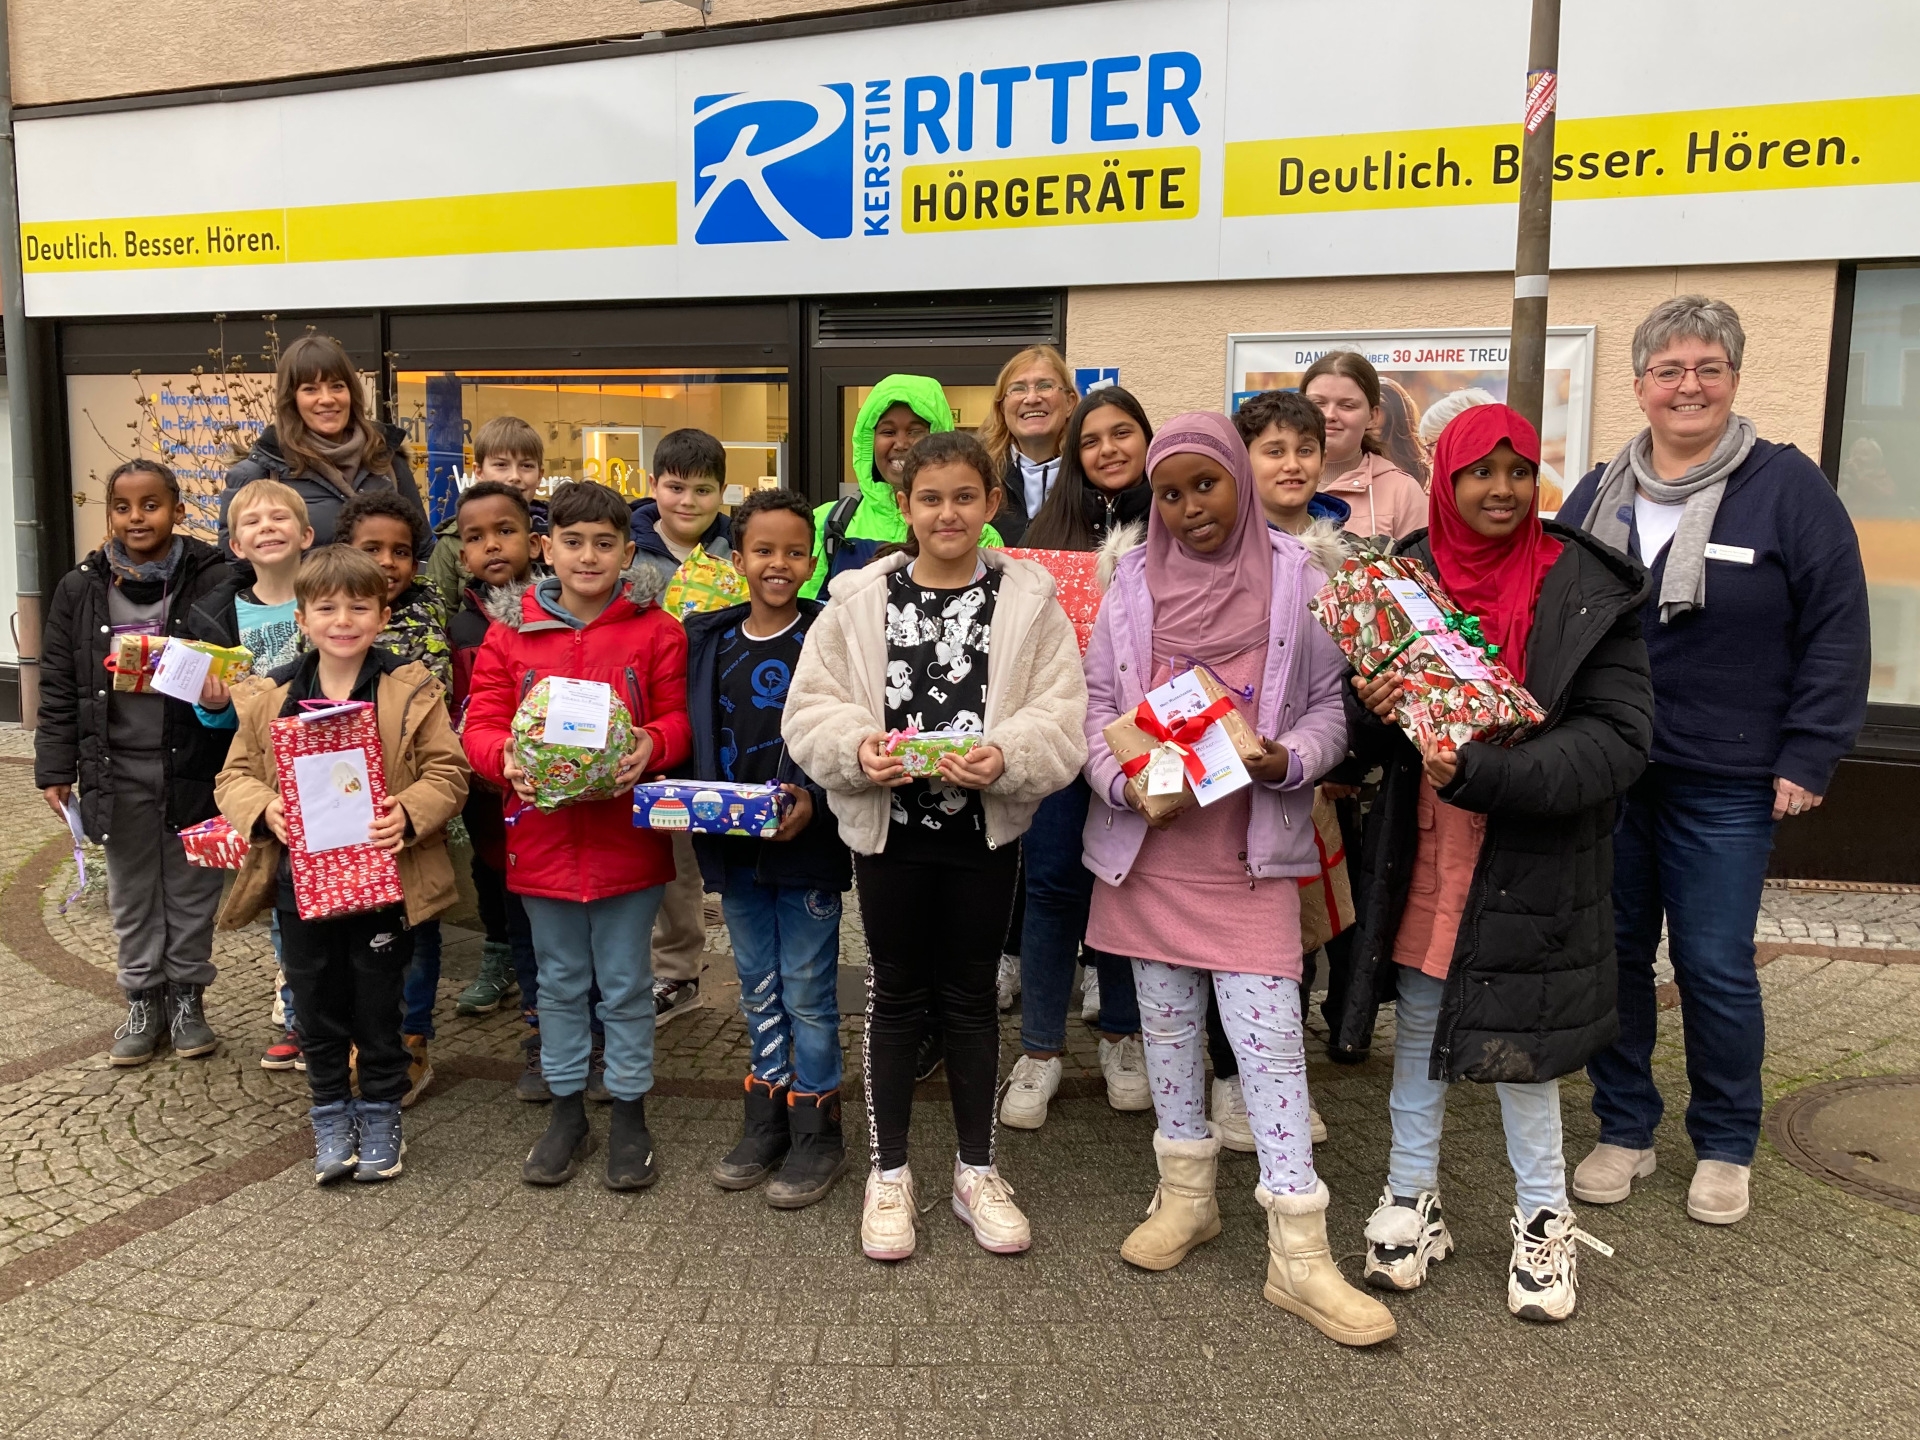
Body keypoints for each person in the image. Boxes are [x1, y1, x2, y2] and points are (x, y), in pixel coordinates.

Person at [1081, 412, 1394, 1349]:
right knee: (1170, 1034)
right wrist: (1123, 784)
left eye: (1205, 485)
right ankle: (1187, 1199)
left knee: (1270, 1050)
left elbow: (1331, 708)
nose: (1189, 508)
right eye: (1169, 494)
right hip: (1149, 856)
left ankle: (1300, 1251)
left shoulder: (1301, 578)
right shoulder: (1128, 582)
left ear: (1240, 481)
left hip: (1251, 857)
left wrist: (1287, 760)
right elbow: (1096, 710)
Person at [1559, 295, 1871, 1226]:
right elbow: (1552, 611)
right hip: (1611, 770)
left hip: (1727, 778)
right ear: (1641, 385)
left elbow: (1837, 628)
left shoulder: (1788, 487)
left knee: (1714, 966)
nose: (1688, 386)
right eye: (1670, 370)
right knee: (1614, 956)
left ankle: (1727, 1142)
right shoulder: (1597, 491)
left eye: (1709, 369)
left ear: (1734, 379)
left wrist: (1810, 752)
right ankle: (1625, 1128)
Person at [1338, 404, 1653, 1323]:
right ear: (1447, 479)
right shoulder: (1410, 575)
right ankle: (1410, 1197)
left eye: (1520, 471)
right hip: (1426, 844)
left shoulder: (1583, 585)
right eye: (1481, 471)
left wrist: (1492, 774)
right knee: (1419, 1028)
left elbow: (1619, 739)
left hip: (1531, 854)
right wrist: (1370, 707)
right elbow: (1364, 735)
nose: (1503, 489)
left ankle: (1543, 1218)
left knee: (1525, 1049)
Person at [784, 430, 1086, 1262]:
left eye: (963, 497)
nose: (946, 513)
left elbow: (1063, 712)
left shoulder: (1030, 602)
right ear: (903, 506)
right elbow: (811, 707)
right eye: (929, 498)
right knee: (894, 995)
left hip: (982, 835)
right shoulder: (856, 601)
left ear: (993, 503)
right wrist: (856, 747)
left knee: (970, 997)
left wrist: (1008, 754)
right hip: (890, 836)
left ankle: (976, 1169)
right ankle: (889, 1172)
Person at [461, 481, 693, 1192]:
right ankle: (566, 1112)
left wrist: (652, 744)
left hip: (627, 843)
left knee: (625, 984)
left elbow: (679, 719)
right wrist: (502, 758)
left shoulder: (658, 631)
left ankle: (629, 1113)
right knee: (559, 983)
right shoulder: (510, 633)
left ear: (627, 553)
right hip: (541, 839)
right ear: (546, 549)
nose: (588, 556)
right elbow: (480, 722)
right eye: (572, 542)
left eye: (603, 543)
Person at [212, 546, 470, 1184]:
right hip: (300, 882)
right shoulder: (272, 696)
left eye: (359, 607)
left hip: (384, 878)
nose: (344, 621)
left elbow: (449, 771)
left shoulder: (410, 689)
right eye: (326, 608)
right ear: (302, 619)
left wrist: (408, 811)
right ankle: (329, 1111)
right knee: (314, 1001)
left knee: (379, 1003)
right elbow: (233, 777)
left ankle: (380, 1110)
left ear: (382, 616)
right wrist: (265, 808)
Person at [36, 459, 236, 1066]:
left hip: (196, 762)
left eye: (151, 505)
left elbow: (238, 659)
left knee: (193, 884)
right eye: (122, 507)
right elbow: (58, 683)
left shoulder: (214, 577)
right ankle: (143, 998)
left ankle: (188, 998)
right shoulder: (80, 588)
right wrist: (54, 767)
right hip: (114, 767)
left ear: (178, 510)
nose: (137, 517)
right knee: (131, 888)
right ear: (109, 516)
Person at [687, 489, 853, 1208]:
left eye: (793, 551)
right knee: (757, 985)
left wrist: (814, 798)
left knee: (810, 992)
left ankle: (819, 1128)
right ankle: (767, 1117)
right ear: (738, 559)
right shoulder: (710, 641)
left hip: (809, 847)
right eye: (763, 550)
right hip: (735, 851)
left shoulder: (829, 636)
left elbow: (850, 731)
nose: (778, 563)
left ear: (812, 562)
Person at [998, 386, 1155, 1130]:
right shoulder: (1047, 530)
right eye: (1091, 440)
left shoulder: (1174, 523)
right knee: (1053, 885)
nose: (1107, 450)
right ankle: (1040, 1049)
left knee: (1123, 884)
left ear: (1147, 440)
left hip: (1140, 735)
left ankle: (1123, 1037)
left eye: (1122, 434)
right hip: (1062, 737)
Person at [186, 477, 315, 1071]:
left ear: (306, 534)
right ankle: (296, 1012)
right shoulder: (218, 615)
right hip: (261, 773)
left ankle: (329, 1010)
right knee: (280, 891)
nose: (268, 528)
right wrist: (211, 702)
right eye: (253, 522)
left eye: (279, 518)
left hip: (322, 761)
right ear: (236, 545)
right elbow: (215, 720)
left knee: (329, 891)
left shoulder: (326, 596)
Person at [337, 489, 454, 1104]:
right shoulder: (328, 617)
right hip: (341, 808)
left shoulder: (432, 615)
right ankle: (360, 1037)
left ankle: (412, 1037)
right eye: (371, 549)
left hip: (410, 804)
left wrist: (416, 805)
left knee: (416, 922)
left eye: (401, 551)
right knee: (352, 929)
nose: (387, 562)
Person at [631, 428, 736, 1029]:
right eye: (675, 487)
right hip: (643, 724)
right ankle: (636, 966)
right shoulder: (627, 551)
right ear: (653, 486)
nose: (688, 501)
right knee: (644, 849)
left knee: (685, 856)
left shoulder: (737, 552)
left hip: (712, 725)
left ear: (722, 492)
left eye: (703, 490)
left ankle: (678, 971)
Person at [443, 481, 542, 1089]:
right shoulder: (458, 623)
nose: (493, 546)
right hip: (489, 786)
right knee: (502, 886)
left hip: (556, 790)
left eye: (505, 531)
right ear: (463, 555)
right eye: (477, 538)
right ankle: (534, 1021)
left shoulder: (556, 608)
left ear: (534, 541)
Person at [799, 374, 1005, 599]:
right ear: (868, 441)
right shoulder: (829, 521)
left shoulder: (980, 534)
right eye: (888, 432)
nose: (901, 444)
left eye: (915, 431)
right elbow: (808, 610)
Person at [218, 333, 422, 550]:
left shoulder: (386, 460)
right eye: (310, 389)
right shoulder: (259, 473)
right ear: (291, 399)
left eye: (337, 386)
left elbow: (422, 549)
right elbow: (235, 561)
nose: (326, 399)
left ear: (351, 392)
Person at [1303, 351, 1429, 544]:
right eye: (1318, 403)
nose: (1329, 415)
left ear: (1372, 416)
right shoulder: (1270, 481)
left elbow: (1421, 562)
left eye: (1347, 406)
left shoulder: (1402, 491)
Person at [422, 415, 550, 599]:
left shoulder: (558, 531)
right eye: (501, 465)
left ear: (540, 475)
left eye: (526, 465)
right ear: (479, 472)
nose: (515, 476)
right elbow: (438, 608)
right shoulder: (451, 543)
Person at [975, 344, 1077, 546]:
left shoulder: (1091, 479)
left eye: (1045, 386)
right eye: (1018, 389)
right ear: (1002, 407)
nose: (1031, 398)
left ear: (1070, 402)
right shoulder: (980, 477)